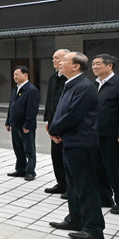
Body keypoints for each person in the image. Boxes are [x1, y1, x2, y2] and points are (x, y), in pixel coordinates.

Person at [48, 52, 104, 239]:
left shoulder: (84, 87)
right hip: (70, 141)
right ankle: (75, 219)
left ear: (76, 66)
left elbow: (74, 115)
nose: (59, 63)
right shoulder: (70, 84)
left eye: (64, 60)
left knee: (86, 186)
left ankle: (94, 228)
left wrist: (55, 129)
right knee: (72, 185)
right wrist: (56, 131)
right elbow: (60, 111)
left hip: (81, 143)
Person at [92, 54, 119, 215]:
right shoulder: (95, 85)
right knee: (99, 169)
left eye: (98, 64)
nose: (94, 67)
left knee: (116, 170)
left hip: (113, 136)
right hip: (96, 134)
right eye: (93, 64)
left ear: (109, 66)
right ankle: (105, 198)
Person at [5, 66, 40, 181]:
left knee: (29, 149)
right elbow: (11, 106)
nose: (15, 77)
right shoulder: (15, 89)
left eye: (17, 74)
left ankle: (30, 172)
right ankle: (20, 169)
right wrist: (8, 121)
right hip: (15, 124)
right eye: (14, 75)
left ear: (25, 75)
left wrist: (28, 125)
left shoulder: (31, 90)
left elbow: (32, 110)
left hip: (25, 126)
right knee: (18, 148)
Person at [44, 49, 70, 195]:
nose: (54, 60)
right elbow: (49, 100)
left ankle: (69, 186)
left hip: (65, 124)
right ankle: (61, 183)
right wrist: (48, 119)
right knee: (56, 155)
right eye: (53, 58)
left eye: (57, 58)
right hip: (53, 122)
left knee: (67, 156)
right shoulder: (53, 78)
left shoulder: (70, 79)